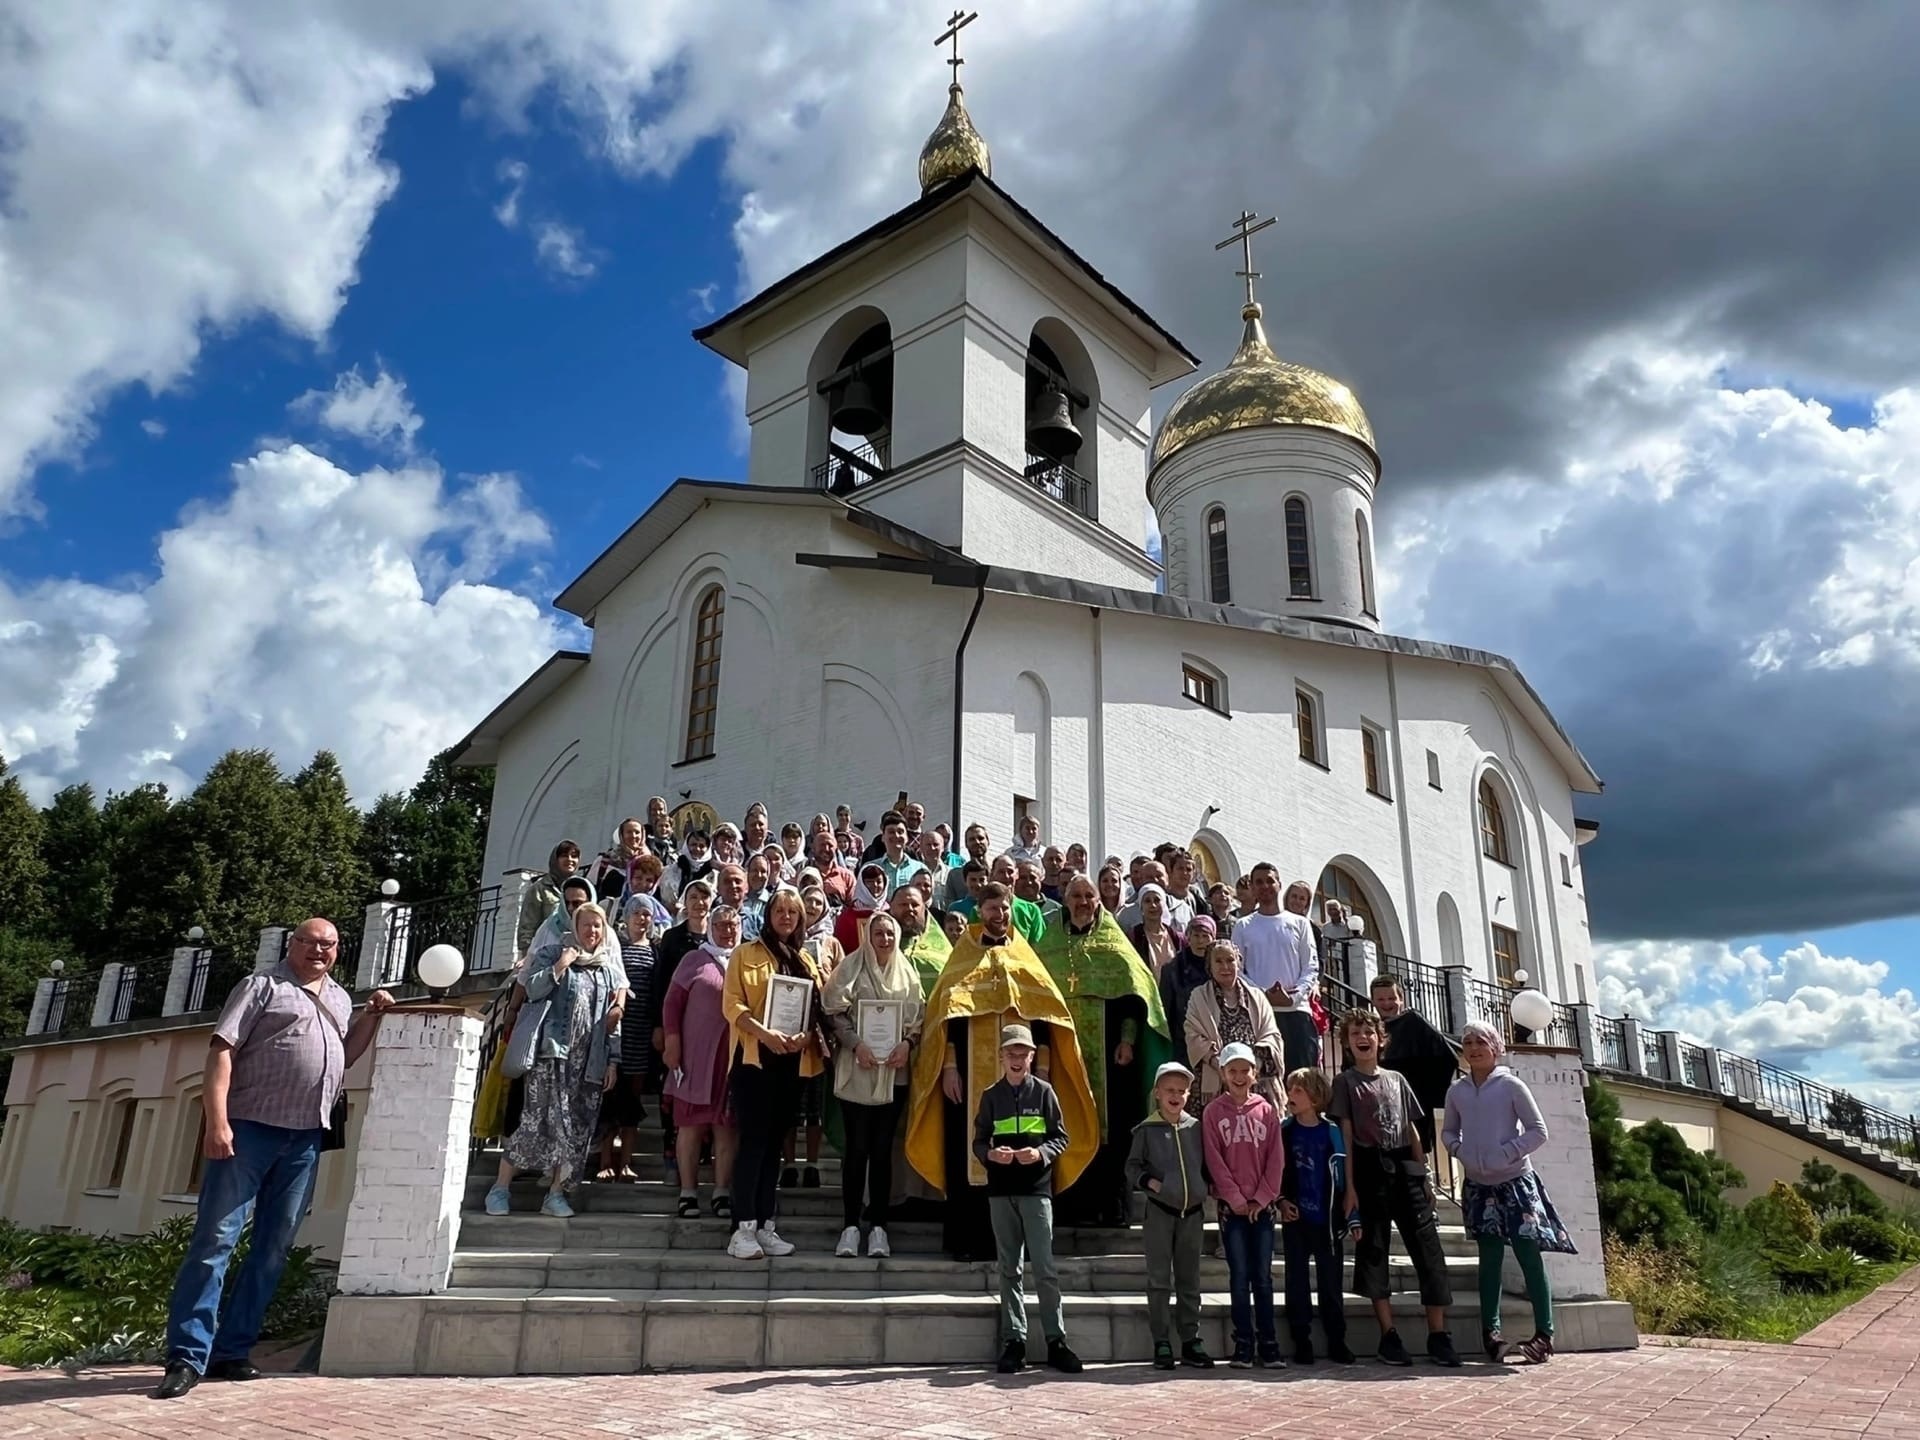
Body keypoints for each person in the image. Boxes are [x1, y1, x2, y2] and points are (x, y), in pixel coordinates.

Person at [156, 919, 394, 1400]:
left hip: (305, 1139)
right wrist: (216, 1122)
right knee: (215, 1242)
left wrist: (369, 1018)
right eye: (309, 942)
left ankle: (231, 1351)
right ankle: (186, 1357)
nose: (319, 951)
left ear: (337, 950)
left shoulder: (342, 999)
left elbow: (344, 1057)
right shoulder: (261, 985)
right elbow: (222, 1051)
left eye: (328, 945)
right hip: (248, 1131)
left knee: (272, 1250)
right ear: (293, 945)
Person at [904, 884, 1098, 1262]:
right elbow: (948, 1020)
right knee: (971, 1151)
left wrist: (1042, 1071)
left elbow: (1046, 1020)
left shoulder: (1024, 957)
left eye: (1005, 908)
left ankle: (1017, 1244)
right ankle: (969, 1241)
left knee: (1019, 1152)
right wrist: (947, 1067)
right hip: (968, 1075)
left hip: (1022, 1081)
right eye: (992, 908)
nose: (1000, 914)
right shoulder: (963, 958)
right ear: (980, 911)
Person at [1034, 873, 1171, 1225]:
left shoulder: (1114, 942)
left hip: (1110, 1057)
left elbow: (1133, 999)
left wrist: (1127, 1040)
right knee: (1065, 1124)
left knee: (1111, 1129)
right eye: (1075, 896)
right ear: (1065, 901)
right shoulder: (1048, 944)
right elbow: (1036, 1000)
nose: (1082, 902)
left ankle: (1111, 1206)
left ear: (1099, 901)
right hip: (1062, 1053)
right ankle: (1067, 1205)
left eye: (1088, 896)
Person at [1331, 1007, 1459, 1367]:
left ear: (1381, 1039)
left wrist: (1424, 1176)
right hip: (1369, 1169)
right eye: (1356, 1032)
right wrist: (1350, 1187)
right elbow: (1347, 1134)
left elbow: (1413, 1130)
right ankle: (1388, 1336)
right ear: (1347, 1042)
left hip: (1404, 1166)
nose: (1363, 1037)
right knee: (1373, 1253)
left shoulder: (1397, 1079)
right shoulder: (1345, 1083)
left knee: (1429, 1251)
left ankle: (1439, 1335)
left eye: (1369, 1031)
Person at [485, 902, 628, 1218]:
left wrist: (613, 1062)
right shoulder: (554, 953)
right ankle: (499, 1189)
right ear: (575, 927)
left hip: (588, 1064)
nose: (591, 931)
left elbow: (612, 1023)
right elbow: (533, 990)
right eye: (586, 924)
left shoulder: (607, 970)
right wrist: (561, 964)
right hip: (552, 1057)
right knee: (533, 1123)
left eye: (597, 926)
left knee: (576, 1130)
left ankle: (555, 1195)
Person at [1444, 1021, 1574, 1365]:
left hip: (1516, 1182)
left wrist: (1506, 1153)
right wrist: (1461, 1152)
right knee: (1489, 1260)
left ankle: (1544, 1335)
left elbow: (1538, 1131)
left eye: (1481, 1042)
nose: (1474, 1048)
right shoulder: (1457, 1090)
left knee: (1528, 1254)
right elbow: (1448, 1132)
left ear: (1495, 1047)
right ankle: (1492, 1333)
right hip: (1478, 1185)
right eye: (1468, 1042)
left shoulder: (1511, 1085)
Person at [721, 889, 827, 1258]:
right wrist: (765, 1032)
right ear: (768, 915)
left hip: (791, 1064)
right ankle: (742, 1228)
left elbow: (817, 1009)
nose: (786, 917)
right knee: (752, 1144)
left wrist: (805, 1036)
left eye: (792, 912)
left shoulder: (805, 962)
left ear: (801, 919)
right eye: (779, 911)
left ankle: (766, 1225)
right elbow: (731, 1004)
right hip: (754, 1060)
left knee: (773, 1149)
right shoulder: (745, 953)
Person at [975, 1024, 1082, 1375]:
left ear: (1032, 1057)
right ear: (1002, 1057)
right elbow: (979, 1142)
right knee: (1009, 1269)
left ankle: (1056, 1340)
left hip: (1036, 1191)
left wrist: (1041, 1154)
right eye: (1012, 1053)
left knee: (1045, 1269)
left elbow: (1060, 1137)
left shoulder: (1046, 1093)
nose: (1017, 1059)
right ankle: (1014, 1340)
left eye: (1024, 1054)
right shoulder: (991, 1096)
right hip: (1002, 1193)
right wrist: (992, 1156)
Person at [823, 911, 924, 1258]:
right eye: (878, 933)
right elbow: (833, 1011)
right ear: (868, 936)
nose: (884, 939)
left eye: (889, 934)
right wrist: (855, 1043)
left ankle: (878, 1227)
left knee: (882, 1151)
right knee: (857, 1149)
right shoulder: (851, 967)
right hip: (859, 1067)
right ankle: (851, 1226)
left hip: (894, 1071)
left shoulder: (906, 972)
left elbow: (917, 1019)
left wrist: (907, 1045)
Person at [1124, 1061, 1214, 1371]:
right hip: (1160, 1213)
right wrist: (1150, 1182)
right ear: (1157, 1094)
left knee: (1190, 1279)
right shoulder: (1146, 1130)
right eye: (1169, 1091)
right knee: (1160, 1280)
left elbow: (1208, 1163)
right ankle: (1161, 1340)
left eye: (1181, 1091)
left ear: (1188, 1094)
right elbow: (1132, 1167)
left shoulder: (1197, 1128)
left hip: (1192, 1214)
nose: (1175, 1096)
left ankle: (1191, 1340)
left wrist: (1206, 1186)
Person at [1202, 1042, 1285, 1369]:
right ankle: (1243, 1345)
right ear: (1222, 1074)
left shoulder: (1266, 1111)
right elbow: (1214, 1160)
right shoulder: (1212, 1112)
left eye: (1244, 1070)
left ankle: (1269, 1343)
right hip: (1231, 1210)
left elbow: (1275, 1159)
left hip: (1263, 1209)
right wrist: (1235, 1199)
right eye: (1232, 1070)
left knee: (1262, 1277)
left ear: (1255, 1073)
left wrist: (1262, 1198)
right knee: (1239, 1276)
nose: (1239, 1076)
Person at [662, 897, 738, 1218]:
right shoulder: (695, 959)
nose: (726, 931)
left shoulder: (746, 960)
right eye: (720, 925)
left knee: (727, 1126)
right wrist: (672, 1042)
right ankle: (688, 1191)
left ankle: (722, 1191)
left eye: (732, 925)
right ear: (710, 928)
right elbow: (671, 1005)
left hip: (732, 1059)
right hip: (695, 1058)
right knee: (690, 1127)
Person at [1279, 1066, 1355, 1366]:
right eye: (1290, 1090)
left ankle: (1337, 1339)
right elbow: (1278, 1172)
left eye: (1298, 1090)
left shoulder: (1331, 1132)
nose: (1291, 1096)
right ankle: (1302, 1340)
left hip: (1327, 1221)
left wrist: (1352, 1217)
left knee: (1330, 1284)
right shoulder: (1285, 1130)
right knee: (1296, 1282)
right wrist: (1282, 1201)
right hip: (1296, 1220)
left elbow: (1343, 1177)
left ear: (1315, 1096)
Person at [1234, 864, 1320, 1074]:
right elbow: (1237, 970)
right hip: (1260, 1016)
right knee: (1264, 1083)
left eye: (1270, 880)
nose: (1265, 886)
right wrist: (1263, 995)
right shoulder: (1243, 925)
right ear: (1252, 888)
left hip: (1297, 1015)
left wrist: (1293, 997)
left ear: (1279, 884)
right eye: (1259, 882)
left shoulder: (1300, 923)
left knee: (1302, 1082)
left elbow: (1311, 966)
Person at [597, 899, 660, 1181]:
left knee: (632, 1103)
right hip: (614, 1034)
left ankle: (626, 1162)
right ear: (627, 916)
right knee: (609, 1100)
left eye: (647, 914)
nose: (642, 919)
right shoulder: (615, 949)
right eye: (637, 913)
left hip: (640, 1036)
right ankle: (604, 1161)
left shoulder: (655, 952)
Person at [1370, 974, 1458, 1160]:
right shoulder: (1370, 1030)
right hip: (1380, 1110)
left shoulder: (1415, 1022)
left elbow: (1447, 1057)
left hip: (1414, 1106)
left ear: (1401, 999)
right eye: (1381, 999)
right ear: (1373, 1001)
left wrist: (1428, 1095)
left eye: (1392, 998)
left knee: (1416, 1163)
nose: (1387, 1003)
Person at [1184, 941, 1283, 1108]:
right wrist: (1221, 1067)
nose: (1225, 966)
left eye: (1230, 960)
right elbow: (1193, 1035)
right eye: (1219, 961)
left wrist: (1252, 1068)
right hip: (1216, 1077)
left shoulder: (1257, 996)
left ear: (1238, 963)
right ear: (1209, 965)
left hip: (1254, 1078)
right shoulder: (1198, 997)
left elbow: (1271, 1034)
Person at [517, 840, 582, 956]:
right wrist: (528, 955)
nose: (570, 860)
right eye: (564, 856)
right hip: (545, 953)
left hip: (576, 952)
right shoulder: (539, 889)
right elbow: (527, 927)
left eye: (574, 856)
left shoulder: (582, 889)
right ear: (555, 860)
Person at [1159, 913, 1215, 1042]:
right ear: (1188, 938)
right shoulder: (1172, 969)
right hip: (1183, 1036)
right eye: (1196, 935)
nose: (1200, 941)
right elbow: (1166, 1007)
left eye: (1205, 936)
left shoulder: (1220, 965)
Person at [889, 884, 951, 996]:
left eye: (915, 905)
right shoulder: (878, 943)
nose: (909, 909)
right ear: (891, 907)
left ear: (924, 908)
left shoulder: (942, 948)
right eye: (903, 904)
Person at [588, 817, 647, 910]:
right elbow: (589, 890)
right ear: (621, 835)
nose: (633, 836)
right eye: (629, 832)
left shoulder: (649, 862)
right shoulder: (605, 861)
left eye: (637, 832)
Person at [1128, 883, 1182, 976]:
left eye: (1157, 900)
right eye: (1147, 901)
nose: (1153, 905)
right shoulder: (1134, 936)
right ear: (1141, 907)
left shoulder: (1176, 937)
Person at [835, 861, 889, 952]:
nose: (875, 885)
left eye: (879, 881)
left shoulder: (890, 911)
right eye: (869, 882)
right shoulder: (848, 916)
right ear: (862, 885)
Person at [946, 823, 991, 908]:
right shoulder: (955, 876)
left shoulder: (998, 871)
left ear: (988, 841)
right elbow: (949, 906)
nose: (977, 842)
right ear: (966, 844)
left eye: (981, 838)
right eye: (972, 839)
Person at [672, 827, 717, 901]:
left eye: (702, 846)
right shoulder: (674, 869)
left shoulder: (713, 873)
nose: (697, 849)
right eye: (693, 844)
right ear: (686, 846)